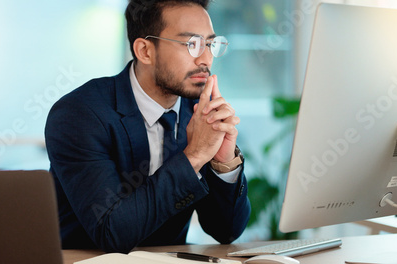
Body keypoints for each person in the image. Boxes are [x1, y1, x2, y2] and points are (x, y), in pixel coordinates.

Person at [45, 0, 251, 253]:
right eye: (192, 44)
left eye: (210, 44)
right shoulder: (80, 114)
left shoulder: (196, 111)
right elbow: (111, 233)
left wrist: (223, 162)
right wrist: (195, 155)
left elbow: (225, 231)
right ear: (145, 51)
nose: (206, 58)